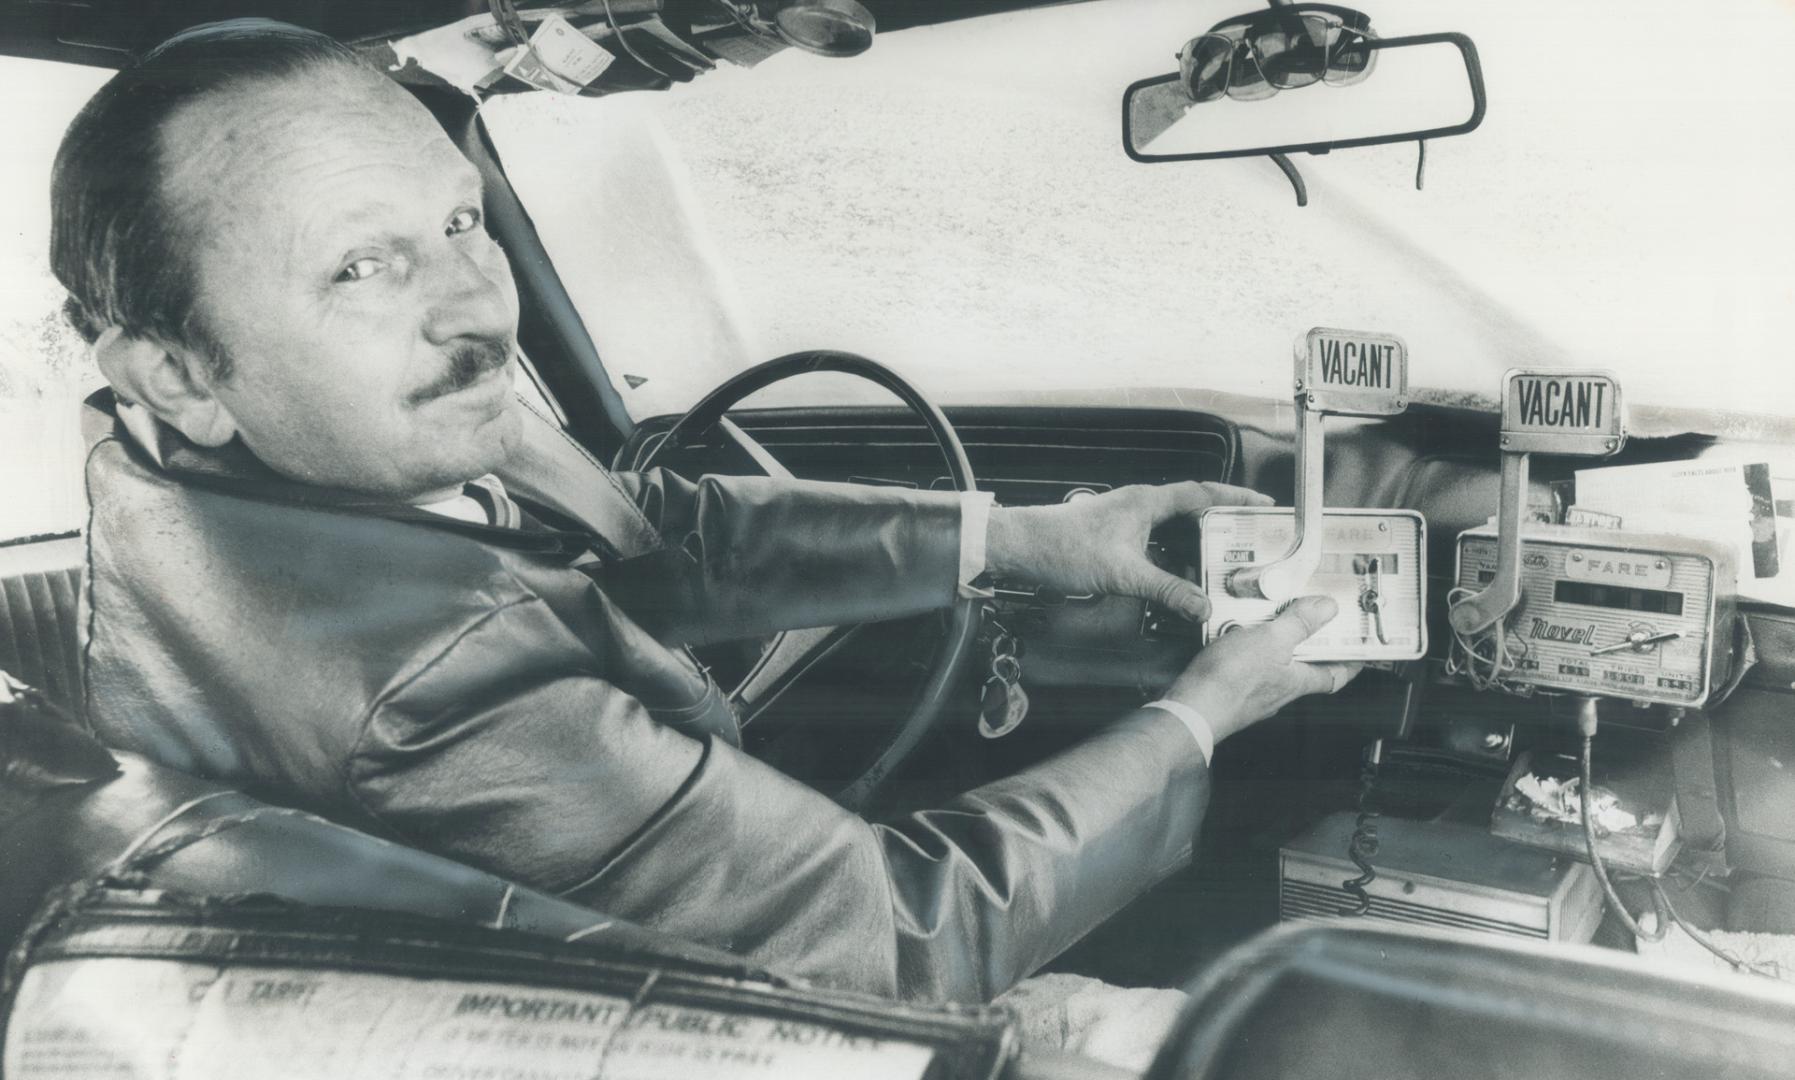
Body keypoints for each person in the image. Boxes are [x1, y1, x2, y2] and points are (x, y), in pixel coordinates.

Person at [54, 21, 1359, 1007]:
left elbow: (639, 533)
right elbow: (900, 938)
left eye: (459, 218)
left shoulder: (206, 466)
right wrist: (1207, 709)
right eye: (360, 265)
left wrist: (1019, 537)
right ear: (174, 367)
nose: (478, 307)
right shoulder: (425, 697)